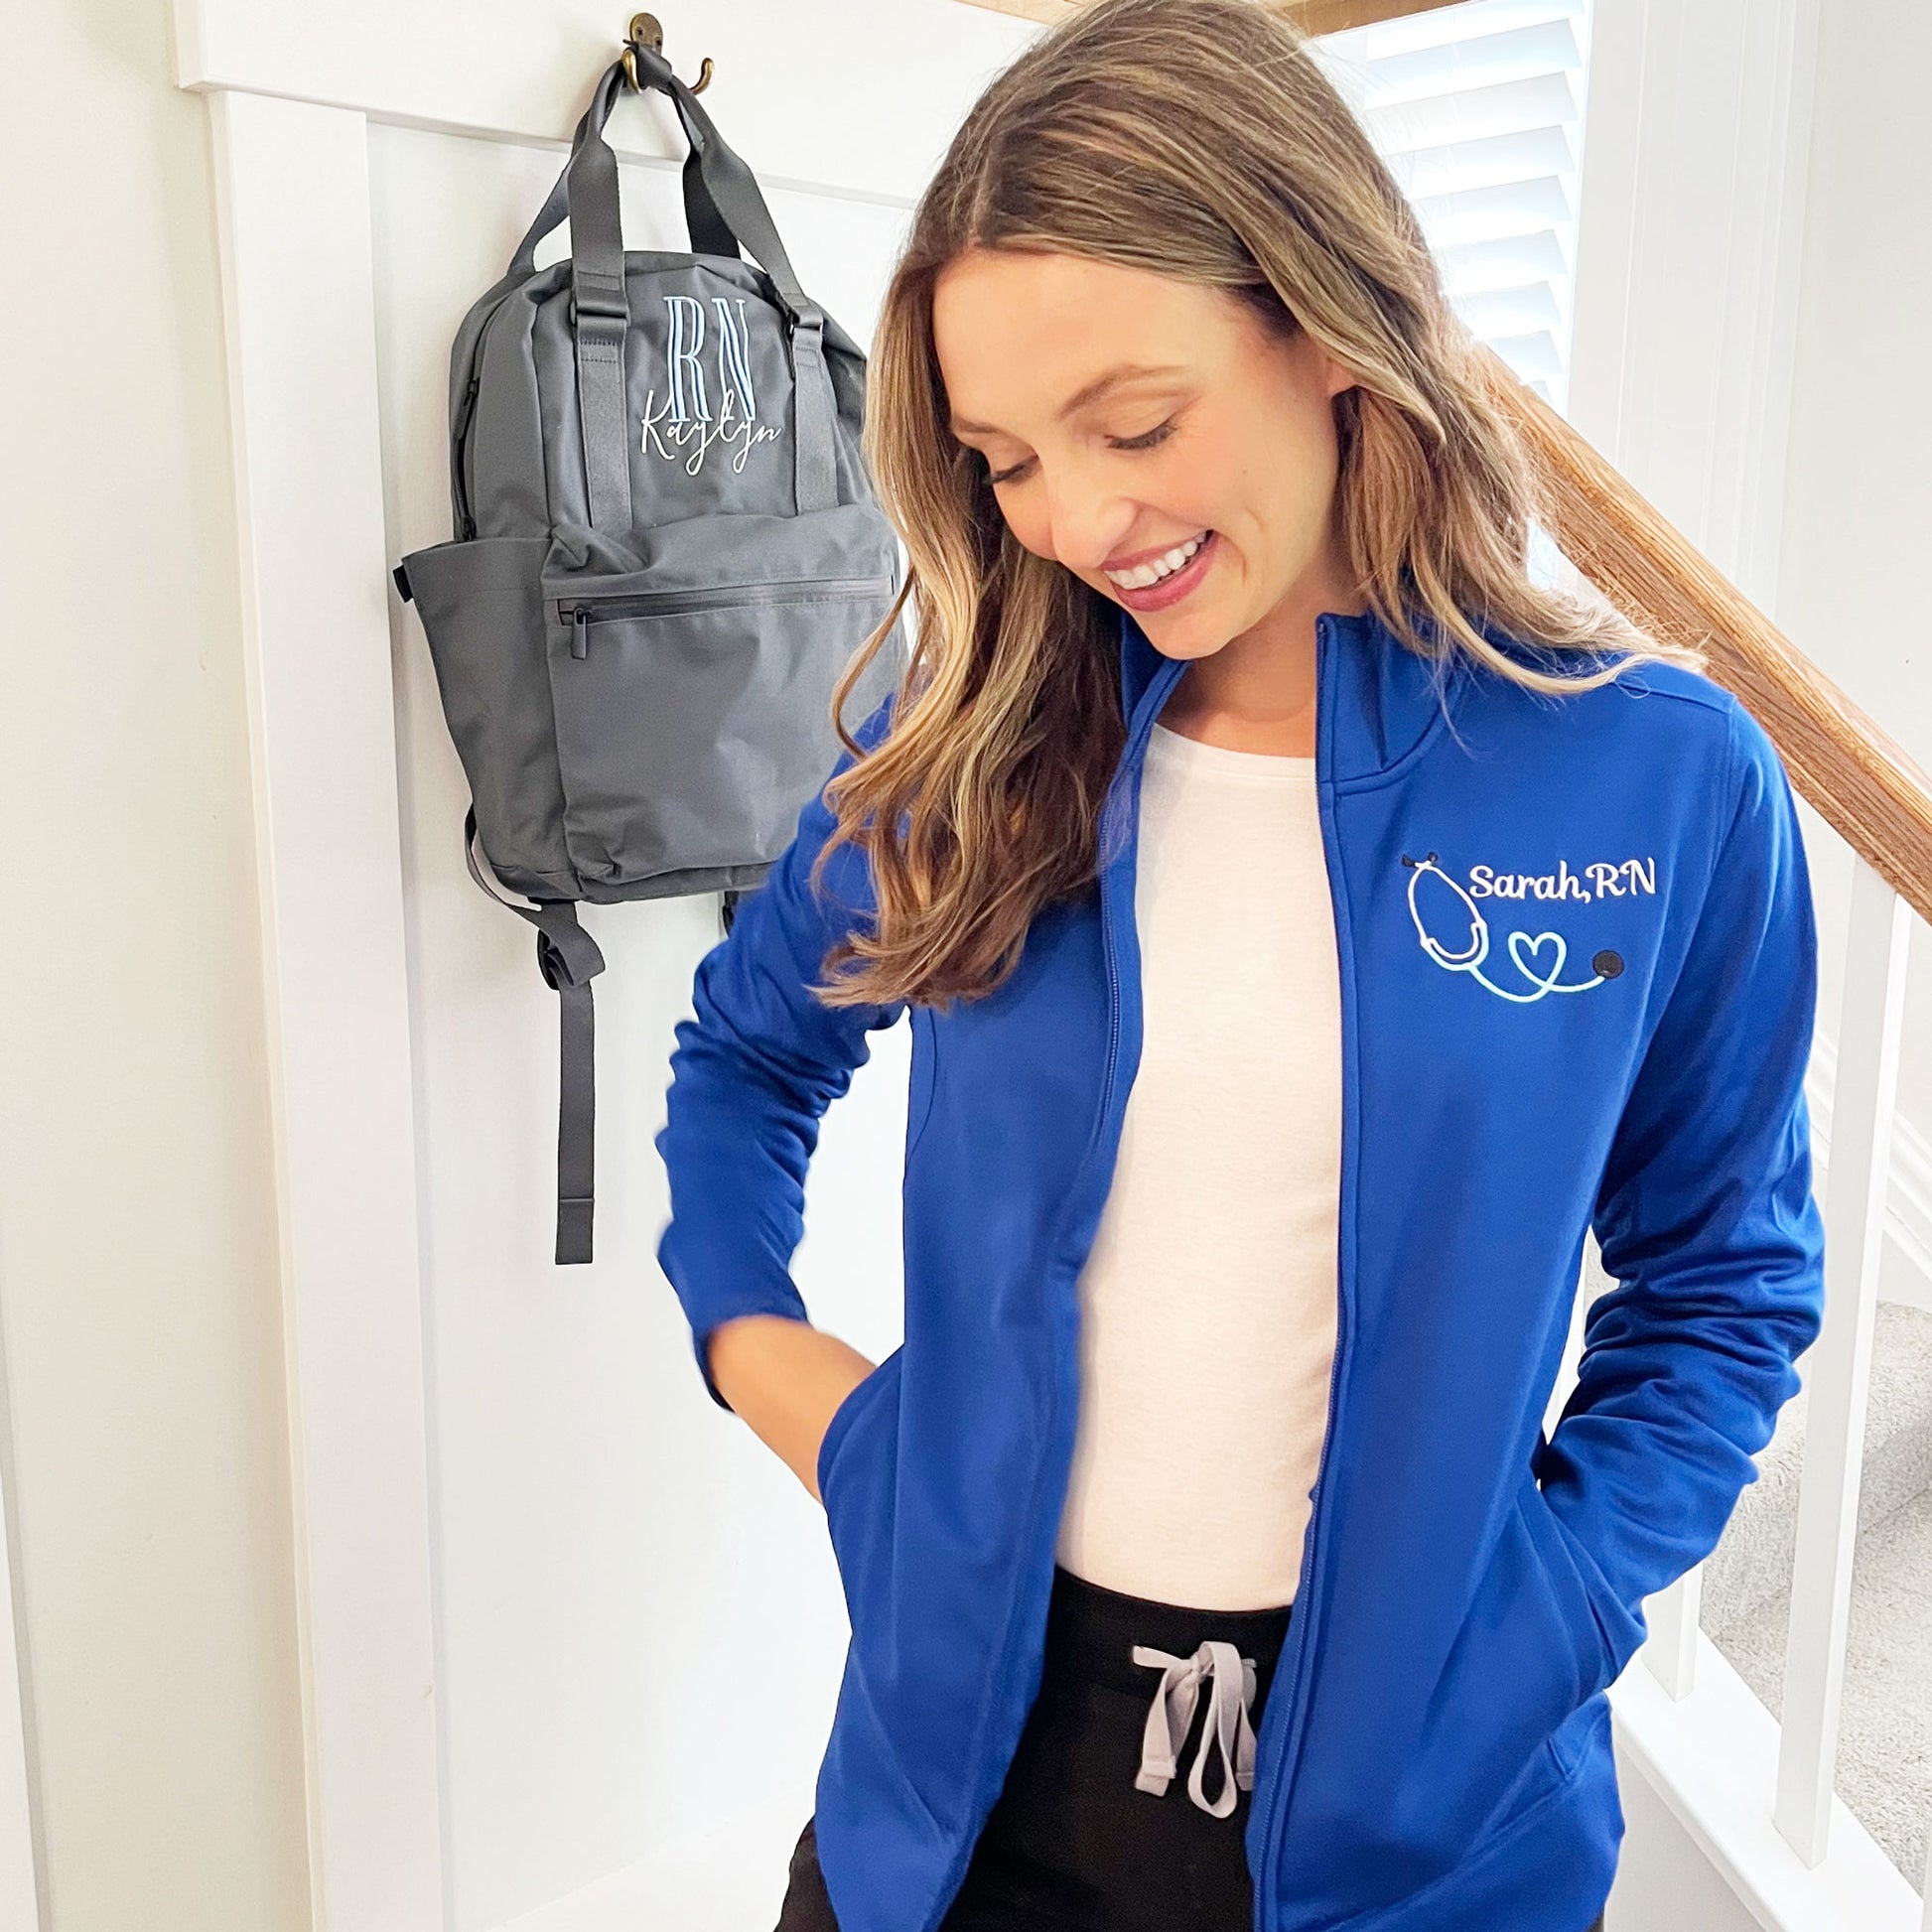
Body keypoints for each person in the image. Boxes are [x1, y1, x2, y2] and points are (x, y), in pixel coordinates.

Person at [652, 0, 1825, 1926]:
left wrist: (1544, 1607)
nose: (1075, 519)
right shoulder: (985, 754)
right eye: (1005, 459)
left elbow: (1723, 1282)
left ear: (1326, 320)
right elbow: (744, 1055)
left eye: (1133, 422)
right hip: (956, 1790)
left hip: (1420, 1840)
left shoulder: (1655, 777)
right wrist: (776, 1366)